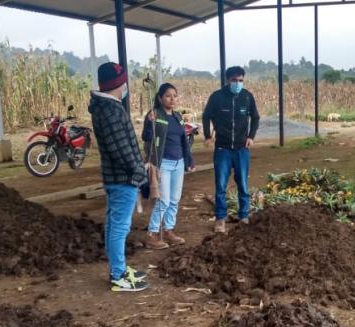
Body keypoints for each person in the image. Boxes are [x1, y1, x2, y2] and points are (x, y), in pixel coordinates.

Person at [88, 62, 148, 292]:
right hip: (122, 179)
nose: (126, 85)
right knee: (120, 227)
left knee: (115, 224)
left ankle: (119, 267)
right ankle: (118, 275)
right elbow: (121, 149)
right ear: (118, 84)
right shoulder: (110, 111)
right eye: (124, 81)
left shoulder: (108, 107)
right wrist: (139, 172)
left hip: (119, 177)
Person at [202, 66, 260, 233]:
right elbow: (206, 116)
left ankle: (244, 216)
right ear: (227, 80)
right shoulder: (217, 97)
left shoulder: (247, 97)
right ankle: (220, 219)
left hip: (242, 149)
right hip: (223, 149)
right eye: (234, 80)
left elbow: (255, 117)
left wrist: (251, 137)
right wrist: (207, 135)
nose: (237, 83)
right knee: (220, 185)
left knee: (243, 183)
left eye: (240, 80)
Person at [141, 83, 196, 250]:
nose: (172, 99)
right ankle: (152, 234)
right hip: (162, 163)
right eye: (168, 96)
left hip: (178, 163)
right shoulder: (155, 115)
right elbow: (146, 137)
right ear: (160, 98)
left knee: (174, 200)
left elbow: (184, 141)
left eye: (175, 95)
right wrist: (149, 122)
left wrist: (189, 160)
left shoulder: (178, 117)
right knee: (163, 200)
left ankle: (169, 230)